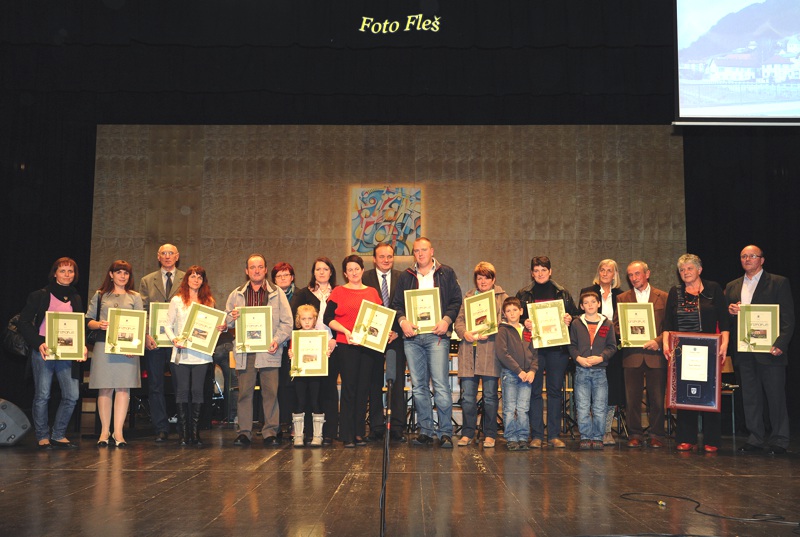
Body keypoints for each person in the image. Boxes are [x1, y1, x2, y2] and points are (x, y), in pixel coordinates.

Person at [392, 237, 463, 448]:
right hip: (412, 339)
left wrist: (446, 320)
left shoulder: (446, 273)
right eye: (416, 251)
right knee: (419, 386)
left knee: (440, 385)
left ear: (432, 251)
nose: (420, 254)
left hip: (437, 336)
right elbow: (397, 304)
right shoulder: (406, 276)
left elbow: (456, 301)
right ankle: (425, 430)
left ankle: (445, 433)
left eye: (424, 250)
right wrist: (403, 321)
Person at [725, 245, 795, 455]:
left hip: (770, 350)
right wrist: (730, 311)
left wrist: (781, 344)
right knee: (750, 397)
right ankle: (755, 437)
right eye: (743, 256)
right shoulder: (732, 286)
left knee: (775, 397)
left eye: (752, 256)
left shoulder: (778, 282)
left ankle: (780, 439)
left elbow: (788, 318)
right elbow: (729, 319)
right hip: (745, 350)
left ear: (762, 260)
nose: (747, 259)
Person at [17, 257, 87, 449]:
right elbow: (23, 322)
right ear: (54, 273)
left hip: (68, 352)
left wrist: (83, 346)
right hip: (44, 352)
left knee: (72, 395)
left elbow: (79, 326)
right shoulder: (40, 295)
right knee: (43, 394)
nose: (67, 274)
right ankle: (42, 435)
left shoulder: (76, 297)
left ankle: (58, 434)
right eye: (63, 270)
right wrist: (38, 342)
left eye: (70, 271)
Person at [662, 254, 730, 453]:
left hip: (710, 349)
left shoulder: (713, 289)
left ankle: (712, 439)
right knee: (685, 393)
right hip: (683, 350)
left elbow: (724, 321)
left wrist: (724, 345)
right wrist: (667, 344)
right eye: (682, 270)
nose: (685, 273)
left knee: (709, 392)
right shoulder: (675, 292)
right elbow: (667, 323)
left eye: (689, 269)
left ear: (699, 270)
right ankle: (686, 437)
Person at [225, 254, 293, 447]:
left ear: (265, 270)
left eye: (260, 267)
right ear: (247, 271)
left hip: (269, 350)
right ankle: (244, 432)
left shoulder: (277, 293)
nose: (256, 270)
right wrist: (232, 316)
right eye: (252, 267)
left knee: (270, 392)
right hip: (246, 352)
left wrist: (276, 340)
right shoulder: (236, 294)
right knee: (245, 393)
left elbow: (287, 323)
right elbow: (226, 321)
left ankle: (270, 431)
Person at [515, 256, 578, 449]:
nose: (540, 273)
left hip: (557, 350)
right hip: (533, 349)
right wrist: (523, 321)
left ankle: (553, 435)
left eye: (544, 269)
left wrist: (570, 319)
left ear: (550, 271)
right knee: (534, 391)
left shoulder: (563, 293)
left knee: (554, 391)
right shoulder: (524, 294)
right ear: (532, 273)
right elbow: (513, 317)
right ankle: (536, 435)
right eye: (536, 270)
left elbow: (576, 316)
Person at [324, 255, 382, 448]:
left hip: (368, 347)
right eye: (350, 269)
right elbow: (328, 318)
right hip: (346, 345)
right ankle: (347, 434)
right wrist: (345, 331)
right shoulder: (339, 292)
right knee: (349, 389)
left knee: (363, 389)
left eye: (357, 268)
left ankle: (359, 433)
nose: (354, 272)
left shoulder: (373, 292)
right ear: (344, 273)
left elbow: (379, 319)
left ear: (362, 270)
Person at [87, 260, 144, 448]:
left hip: (127, 349)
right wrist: (99, 324)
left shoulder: (135, 297)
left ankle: (119, 432)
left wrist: (133, 347)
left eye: (126, 273)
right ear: (111, 274)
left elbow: (140, 324)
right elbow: (88, 321)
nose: (122, 276)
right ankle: (104, 431)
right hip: (104, 346)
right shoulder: (100, 295)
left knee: (123, 389)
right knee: (104, 388)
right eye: (118, 272)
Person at [164, 265, 223, 446]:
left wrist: (219, 328)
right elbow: (167, 325)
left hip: (202, 354)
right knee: (182, 392)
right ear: (186, 279)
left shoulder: (209, 301)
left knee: (197, 392)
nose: (196, 280)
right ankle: (183, 434)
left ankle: (195, 434)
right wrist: (174, 339)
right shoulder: (177, 300)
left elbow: (212, 327)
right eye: (193, 276)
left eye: (199, 277)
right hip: (181, 353)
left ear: (203, 281)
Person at [453, 261, 507, 448]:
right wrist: (464, 332)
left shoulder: (502, 297)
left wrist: (492, 329)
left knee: (491, 396)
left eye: (487, 277)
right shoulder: (468, 296)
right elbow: (459, 321)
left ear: (494, 279)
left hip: (490, 351)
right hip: (469, 350)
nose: (483, 281)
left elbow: (507, 323)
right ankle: (468, 432)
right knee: (468, 396)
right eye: (479, 277)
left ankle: (490, 434)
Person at [616, 261, 669, 448]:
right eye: (630, 275)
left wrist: (658, 341)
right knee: (632, 399)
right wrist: (625, 334)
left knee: (657, 398)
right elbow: (616, 324)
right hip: (632, 355)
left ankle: (657, 435)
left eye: (637, 274)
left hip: (656, 354)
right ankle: (635, 434)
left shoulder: (663, 296)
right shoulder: (622, 298)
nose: (634, 278)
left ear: (647, 274)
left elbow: (669, 327)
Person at [362, 242, 408, 443]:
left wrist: (396, 331)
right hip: (372, 339)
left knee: (396, 381)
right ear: (374, 258)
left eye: (389, 256)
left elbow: (406, 306)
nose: (386, 260)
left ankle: (397, 426)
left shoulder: (403, 277)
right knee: (373, 382)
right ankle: (376, 426)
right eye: (382, 256)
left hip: (396, 338)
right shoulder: (365, 278)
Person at [290, 257, 339, 445]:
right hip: (307, 350)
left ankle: (327, 434)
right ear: (313, 272)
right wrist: (295, 349)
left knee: (328, 390)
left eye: (325, 269)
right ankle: (307, 434)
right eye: (318, 269)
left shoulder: (338, 292)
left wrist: (335, 340)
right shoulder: (304, 293)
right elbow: (295, 322)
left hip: (331, 347)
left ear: (331, 272)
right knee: (309, 392)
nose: (321, 272)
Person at [139, 243, 185, 443]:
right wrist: (146, 334)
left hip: (178, 341)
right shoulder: (147, 280)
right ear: (158, 257)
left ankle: (184, 426)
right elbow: (143, 311)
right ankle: (161, 427)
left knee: (180, 384)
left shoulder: (187, 279)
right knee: (155, 385)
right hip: (155, 342)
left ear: (177, 256)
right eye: (163, 253)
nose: (167, 257)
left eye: (171, 253)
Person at [580, 259, 623, 446]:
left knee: (611, 391)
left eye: (609, 271)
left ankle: (605, 431)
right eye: (602, 270)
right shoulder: (587, 292)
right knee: (587, 395)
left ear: (615, 274)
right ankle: (589, 432)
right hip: (588, 351)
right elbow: (578, 319)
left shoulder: (622, 295)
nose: (605, 273)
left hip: (611, 349)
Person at [569, 290, 618, 450]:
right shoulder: (576, 323)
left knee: (599, 406)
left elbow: (612, 346)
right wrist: (579, 358)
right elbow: (571, 345)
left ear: (599, 304)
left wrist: (601, 357)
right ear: (582, 306)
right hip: (581, 370)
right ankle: (585, 436)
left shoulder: (607, 324)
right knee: (582, 405)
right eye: (586, 302)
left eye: (593, 302)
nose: (590, 305)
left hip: (600, 372)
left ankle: (597, 436)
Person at [288, 305, 336, 447]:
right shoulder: (295, 335)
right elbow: (292, 350)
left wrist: (326, 353)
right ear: (299, 320)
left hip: (316, 375)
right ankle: (298, 435)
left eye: (310, 318)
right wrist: (291, 354)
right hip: (300, 374)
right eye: (303, 319)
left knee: (316, 401)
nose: (307, 322)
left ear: (315, 320)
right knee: (300, 401)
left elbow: (324, 352)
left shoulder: (320, 335)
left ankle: (317, 435)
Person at [494, 297, 537, 452]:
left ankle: (523, 437)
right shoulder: (503, 330)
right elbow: (502, 353)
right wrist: (519, 371)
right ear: (504, 314)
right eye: (508, 311)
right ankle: (511, 437)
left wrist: (532, 370)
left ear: (521, 311)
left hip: (527, 375)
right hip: (511, 375)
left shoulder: (528, 330)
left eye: (515, 310)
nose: (512, 313)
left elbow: (535, 352)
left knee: (523, 408)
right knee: (510, 408)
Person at [271, 262, 297, 441]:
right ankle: (277, 423)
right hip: (275, 346)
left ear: (292, 277)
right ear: (273, 280)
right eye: (279, 276)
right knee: (276, 385)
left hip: (295, 347)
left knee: (293, 385)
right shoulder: (269, 296)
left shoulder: (301, 294)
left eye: (286, 275)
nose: (283, 279)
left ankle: (295, 423)